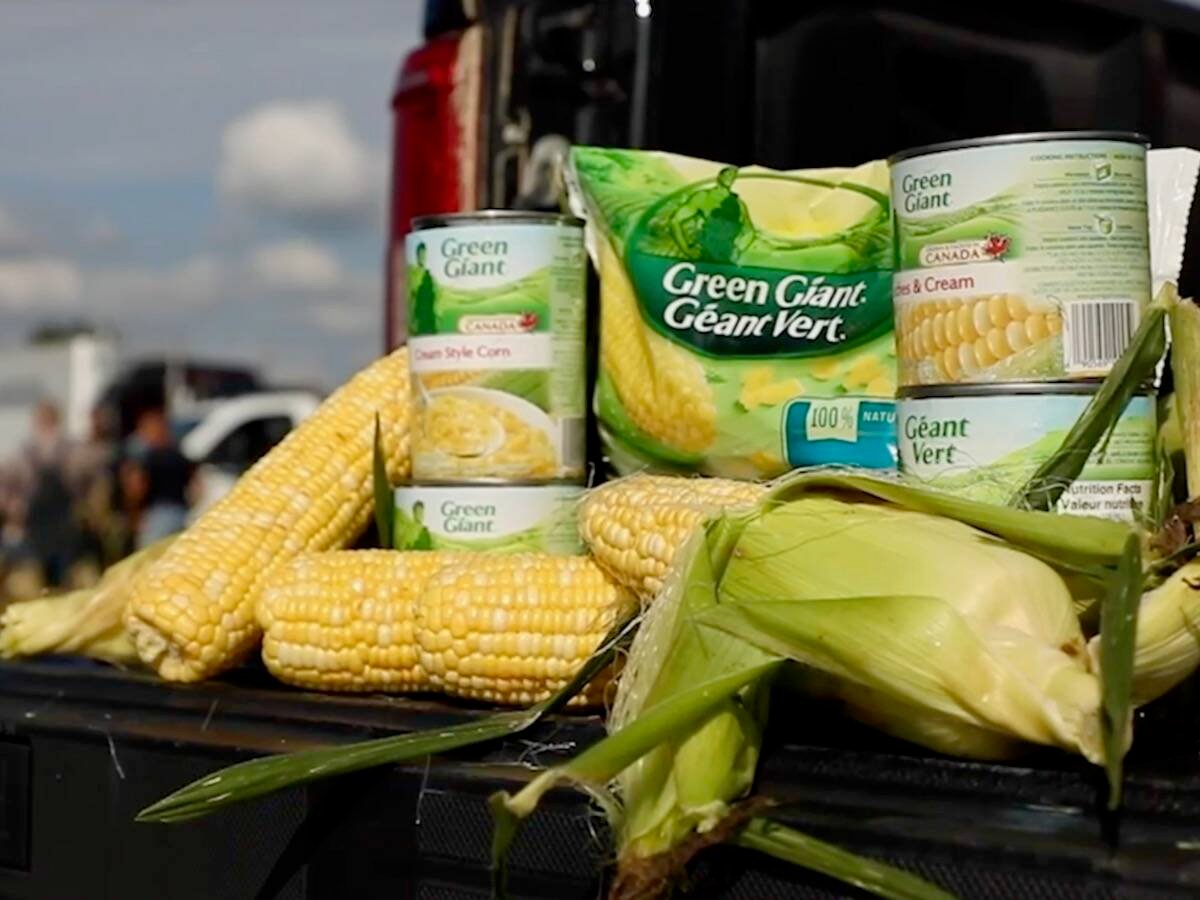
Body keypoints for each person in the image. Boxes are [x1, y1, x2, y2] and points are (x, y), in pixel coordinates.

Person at [0, 401, 84, 588]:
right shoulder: (25, 451)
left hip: (63, 521)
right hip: (34, 521)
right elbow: (6, 480)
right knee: (33, 575)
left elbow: (84, 479)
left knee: (64, 573)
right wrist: (12, 507)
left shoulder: (70, 448)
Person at [120, 407, 194, 548]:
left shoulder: (147, 458)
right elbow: (196, 487)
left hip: (156, 517)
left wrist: (134, 514)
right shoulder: (180, 455)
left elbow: (137, 488)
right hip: (181, 514)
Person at [409, 241, 439, 336]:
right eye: (421, 254)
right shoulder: (412, 271)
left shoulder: (428, 274)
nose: (423, 257)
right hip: (419, 315)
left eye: (424, 255)